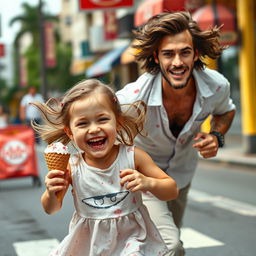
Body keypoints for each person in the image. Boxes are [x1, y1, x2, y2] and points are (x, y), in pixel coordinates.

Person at [116, 11, 236, 256]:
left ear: (196, 54)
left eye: (185, 52)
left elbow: (226, 112)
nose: (178, 62)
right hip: (143, 179)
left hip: (182, 175)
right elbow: (103, 128)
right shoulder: (132, 98)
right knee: (169, 247)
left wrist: (216, 136)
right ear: (156, 58)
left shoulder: (217, 86)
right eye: (168, 54)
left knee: (166, 241)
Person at [31, 79, 179, 256]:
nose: (94, 129)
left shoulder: (133, 156)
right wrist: (51, 191)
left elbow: (171, 190)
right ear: (70, 132)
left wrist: (148, 183)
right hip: (90, 244)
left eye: (102, 119)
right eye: (82, 123)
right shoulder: (72, 166)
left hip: (132, 239)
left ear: (118, 123)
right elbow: (51, 208)